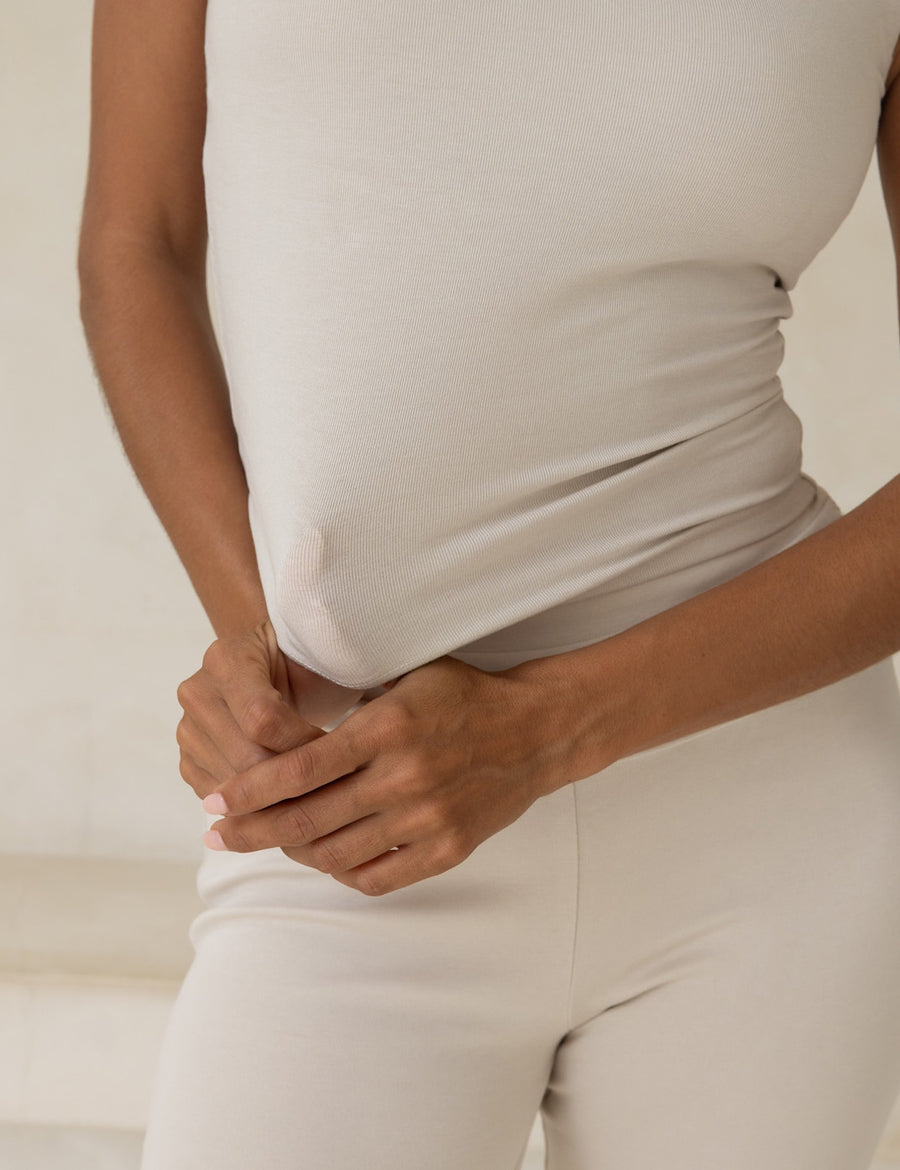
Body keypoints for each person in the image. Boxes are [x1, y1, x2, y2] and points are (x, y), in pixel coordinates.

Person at [78, 1, 900, 1167]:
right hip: (354, 806)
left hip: (767, 820)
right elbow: (137, 242)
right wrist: (267, 650)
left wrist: (547, 731)